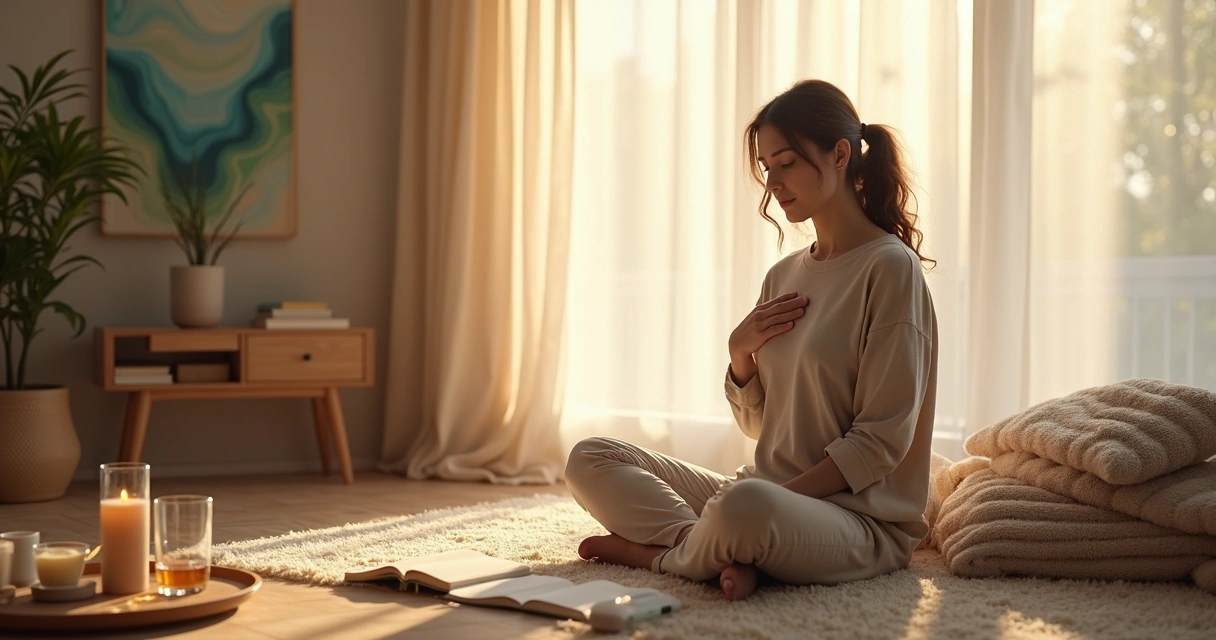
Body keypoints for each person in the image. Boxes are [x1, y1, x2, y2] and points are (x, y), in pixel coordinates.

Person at [564, 79, 938, 602]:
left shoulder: (890, 269)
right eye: (767, 168)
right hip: (762, 495)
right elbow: (760, 425)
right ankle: (710, 549)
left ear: (839, 154)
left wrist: (765, 498)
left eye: (786, 163)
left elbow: (880, 444)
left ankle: (661, 555)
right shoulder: (784, 275)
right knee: (590, 456)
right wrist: (740, 356)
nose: (773, 184)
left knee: (743, 509)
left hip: (857, 522)